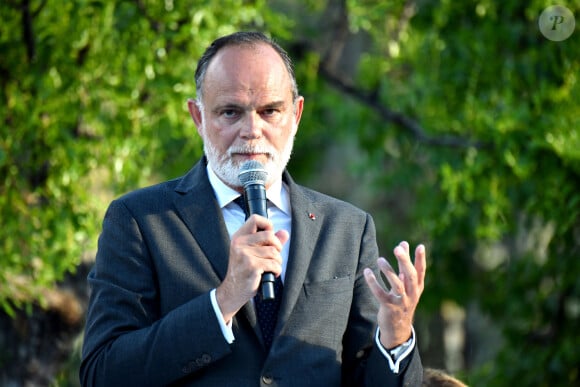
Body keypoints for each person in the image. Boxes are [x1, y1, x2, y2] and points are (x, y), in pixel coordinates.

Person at [80, 31, 427, 386]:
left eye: (270, 111)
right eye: (230, 112)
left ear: (296, 114)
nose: (252, 130)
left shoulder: (347, 228)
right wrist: (223, 301)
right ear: (198, 117)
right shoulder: (141, 221)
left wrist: (395, 339)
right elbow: (103, 373)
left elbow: (363, 375)